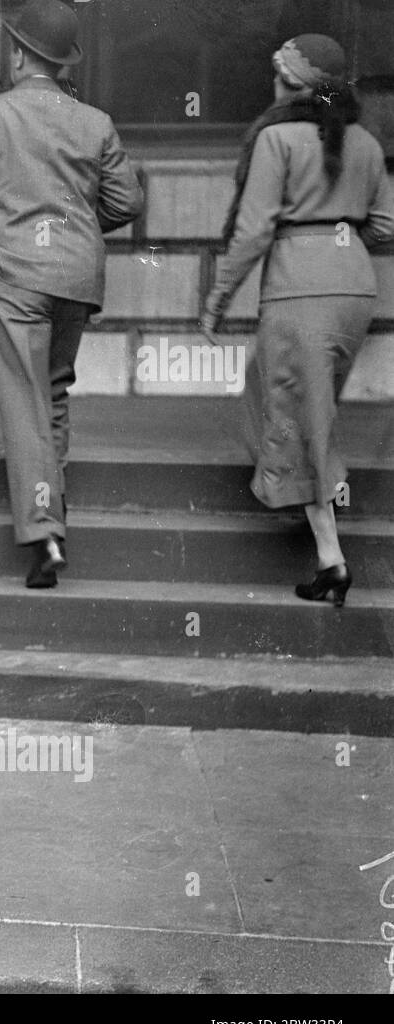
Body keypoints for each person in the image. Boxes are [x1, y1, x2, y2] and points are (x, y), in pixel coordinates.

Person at [0, 0, 143, 588]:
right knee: (53, 392)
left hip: (13, 275)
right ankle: (50, 510)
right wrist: (77, 236)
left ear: (16, 51)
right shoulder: (95, 122)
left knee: (22, 402)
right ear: (61, 62)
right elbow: (126, 202)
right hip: (76, 278)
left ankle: (44, 536)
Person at [201, 34, 394, 607]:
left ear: (290, 83)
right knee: (289, 399)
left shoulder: (275, 138)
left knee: (304, 412)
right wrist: (338, 232)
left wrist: (217, 298)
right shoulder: (364, 142)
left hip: (297, 290)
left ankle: (331, 557)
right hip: (353, 288)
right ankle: (311, 515)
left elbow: (254, 229)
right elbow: (384, 224)